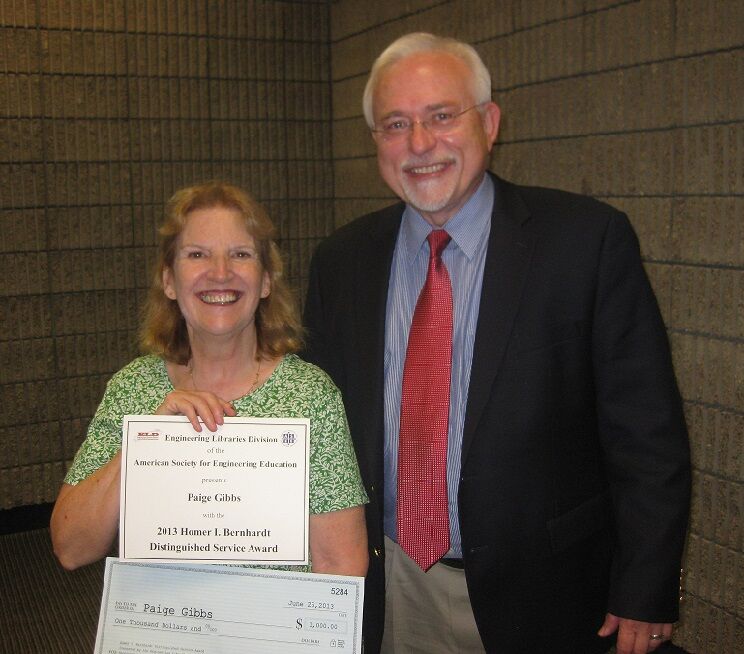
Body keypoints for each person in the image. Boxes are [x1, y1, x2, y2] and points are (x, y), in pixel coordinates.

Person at [303, 32, 690, 654]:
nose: (420, 144)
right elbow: (316, 420)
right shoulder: (341, 261)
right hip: (394, 583)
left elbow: (647, 434)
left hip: (551, 591)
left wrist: (646, 586)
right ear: (375, 141)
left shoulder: (585, 243)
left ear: (489, 122)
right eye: (395, 124)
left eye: (441, 116)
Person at [51, 181, 368, 578]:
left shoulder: (310, 396)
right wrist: (144, 443)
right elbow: (71, 547)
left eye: (240, 254)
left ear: (266, 280)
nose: (220, 273)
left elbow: (341, 563)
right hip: (164, 629)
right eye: (197, 254)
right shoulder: (134, 387)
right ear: (169, 280)